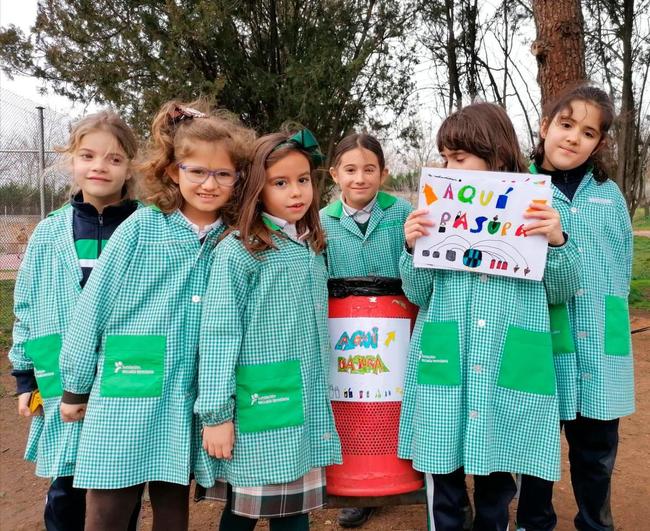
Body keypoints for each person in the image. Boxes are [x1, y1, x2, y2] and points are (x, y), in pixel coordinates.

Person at [58, 101, 255, 531]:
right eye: (196, 171)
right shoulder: (142, 228)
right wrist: (74, 387)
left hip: (186, 396)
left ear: (238, 178)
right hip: (127, 389)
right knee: (108, 503)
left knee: (172, 503)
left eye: (223, 173)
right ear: (173, 172)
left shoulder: (237, 238)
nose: (209, 183)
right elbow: (93, 307)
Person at [398, 102, 581, 531]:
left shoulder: (541, 205)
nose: (448, 167)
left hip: (506, 356)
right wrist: (411, 250)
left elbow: (561, 290)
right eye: (445, 158)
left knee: (498, 474)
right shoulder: (430, 212)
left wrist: (556, 242)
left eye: (458, 159)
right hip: (448, 354)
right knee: (443, 468)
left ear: (496, 155)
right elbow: (417, 293)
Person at [196, 129, 342, 530]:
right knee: (244, 508)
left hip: (301, 401)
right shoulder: (241, 249)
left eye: (302, 180)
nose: (296, 192)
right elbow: (219, 335)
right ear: (257, 189)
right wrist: (216, 415)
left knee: (293, 510)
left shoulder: (309, 244)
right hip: (257, 403)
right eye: (280, 183)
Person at [8, 111, 140, 531]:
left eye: (114, 159)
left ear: (131, 167)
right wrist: (25, 378)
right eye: (88, 155)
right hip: (61, 374)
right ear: (72, 160)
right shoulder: (49, 233)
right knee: (66, 480)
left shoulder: (146, 228)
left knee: (120, 479)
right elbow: (26, 305)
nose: (100, 166)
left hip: (123, 374)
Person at [517, 84, 634, 531]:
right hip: (542, 340)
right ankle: (533, 521)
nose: (573, 138)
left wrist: (613, 317)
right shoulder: (517, 187)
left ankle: (596, 522)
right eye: (565, 125)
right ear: (546, 126)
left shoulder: (610, 197)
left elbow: (622, 266)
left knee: (597, 450)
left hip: (600, 346)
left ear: (599, 143)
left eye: (587, 133)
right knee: (535, 443)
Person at [319, 132, 411, 528]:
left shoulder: (403, 213)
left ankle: (405, 474)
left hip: (395, 330)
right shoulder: (321, 220)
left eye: (369, 169)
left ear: (384, 173)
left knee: (394, 404)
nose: (360, 178)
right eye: (350, 169)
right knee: (352, 405)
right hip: (344, 333)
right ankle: (357, 486)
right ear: (334, 174)